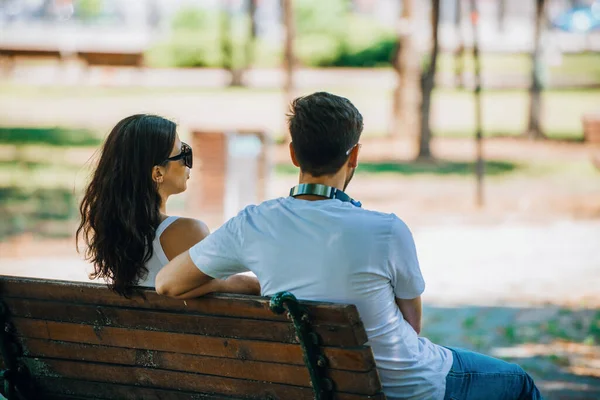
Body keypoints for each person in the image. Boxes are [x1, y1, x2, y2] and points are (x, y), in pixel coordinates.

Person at [155, 93, 542, 399]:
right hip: (412, 386)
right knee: (517, 381)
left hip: (313, 383)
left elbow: (168, 284)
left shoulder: (253, 223)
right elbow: (412, 326)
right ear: (353, 155)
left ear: (293, 154)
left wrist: (235, 281)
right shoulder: (387, 230)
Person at [76, 114, 259, 298]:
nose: (189, 164)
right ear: (158, 172)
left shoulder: (117, 234)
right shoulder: (186, 231)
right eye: (183, 154)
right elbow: (221, 287)